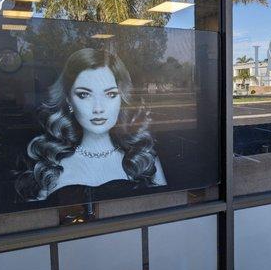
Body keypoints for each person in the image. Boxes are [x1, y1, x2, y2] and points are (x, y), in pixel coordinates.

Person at [15, 48, 166, 202]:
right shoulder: (48, 166)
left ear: (122, 99)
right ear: (68, 100)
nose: (98, 108)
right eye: (84, 95)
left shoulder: (143, 159)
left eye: (110, 94)